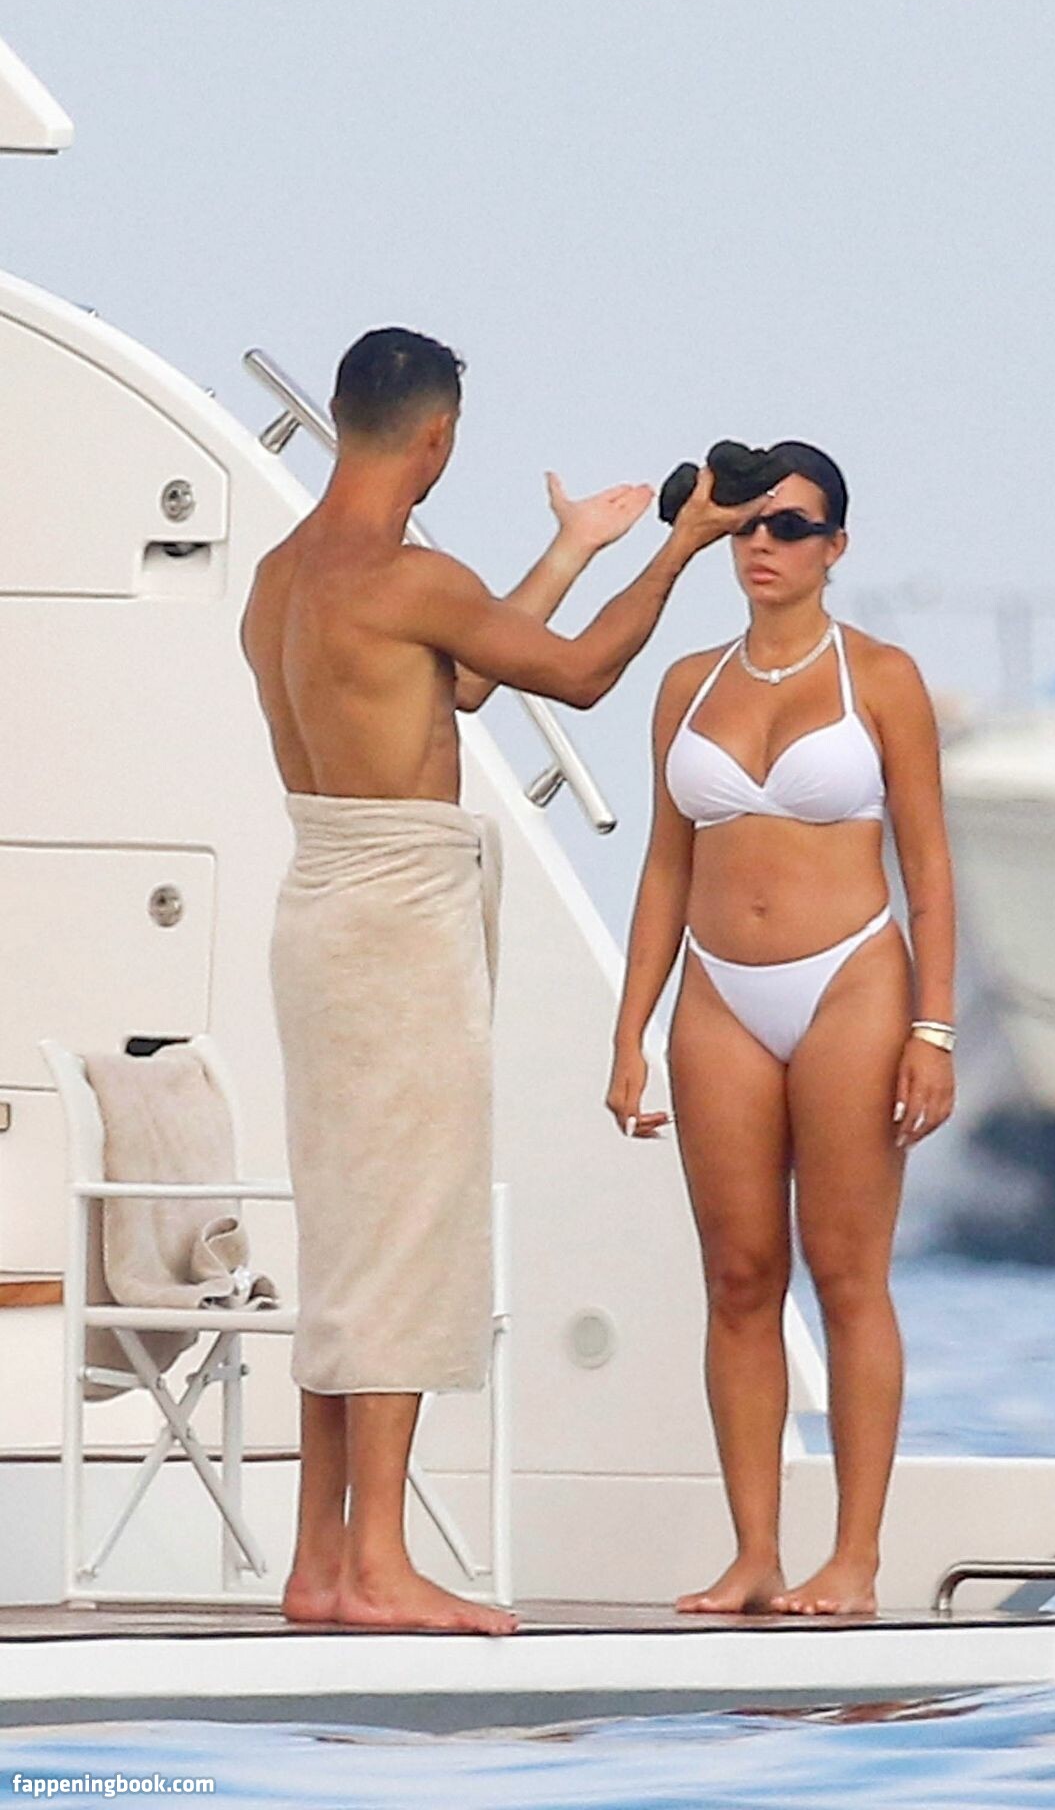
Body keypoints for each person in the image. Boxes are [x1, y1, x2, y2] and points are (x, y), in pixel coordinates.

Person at [240, 326, 758, 1636]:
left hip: (320, 907)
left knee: (349, 1240)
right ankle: (380, 1565)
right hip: (396, 921)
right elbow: (573, 679)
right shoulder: (408, 576)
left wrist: (573, 550)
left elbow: (461, 680)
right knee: (404, 1236)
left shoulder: (282, 576)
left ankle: (319, 1562)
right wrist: (678, 550)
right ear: (437, 437)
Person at [607, 440, 957, 1617]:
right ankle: (753, 1553)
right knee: (737, 1275)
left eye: (790, 526)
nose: (763, 543)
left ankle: (852, 1559)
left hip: (850, 980)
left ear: (833, 547)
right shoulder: (685, 684)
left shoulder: (881, 678)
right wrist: (628, 1031)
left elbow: (928, 867)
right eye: (748, 524)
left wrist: (933, 1030)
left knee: (846, 1274)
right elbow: (664, 866)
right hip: (716, 991)